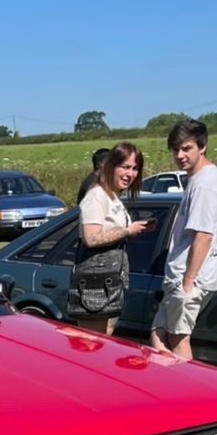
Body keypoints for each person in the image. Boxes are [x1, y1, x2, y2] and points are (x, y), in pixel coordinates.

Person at [150, 119, 217, 359]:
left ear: (202, 146)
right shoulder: (200, 179)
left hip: (189, 278)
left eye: (186, 148)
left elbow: (204, 235)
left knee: (178, 339)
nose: (179, 155)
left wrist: (188, 280)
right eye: (176, 149)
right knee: (158, 334)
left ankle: (186, 382)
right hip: (182, 277)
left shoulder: (205, 183)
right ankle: (168, 381)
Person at [71, 143, 154, 335]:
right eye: (125, 167)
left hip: (111, 278)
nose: (130, 174)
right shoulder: (96, 196)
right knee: (91, 342)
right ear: (111, 166)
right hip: (95, 280)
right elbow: (91, 238)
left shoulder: (112, 196)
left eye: (135, 168)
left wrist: (137, 229)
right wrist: (127, 231)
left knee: (104, 338)